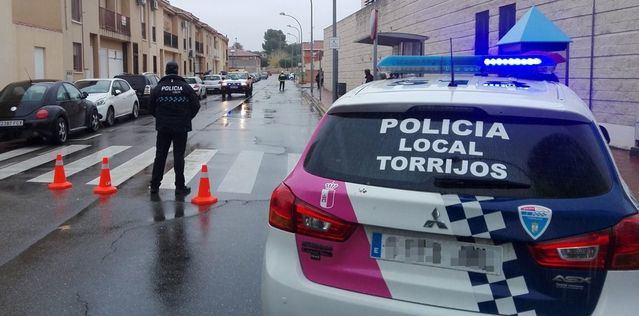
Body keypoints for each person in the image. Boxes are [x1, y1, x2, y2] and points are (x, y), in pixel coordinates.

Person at [149, 61, 200, 195]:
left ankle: (154, 186)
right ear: (177, 71)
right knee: (179, 156)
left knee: (160, 156)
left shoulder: (159, 88)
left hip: (163, 127)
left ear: (166, 71)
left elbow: (150, 107)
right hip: (181, 128)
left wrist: (160, 117)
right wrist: (187, 118)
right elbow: (196, 105)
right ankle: (179, 187)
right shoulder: (185, 87)